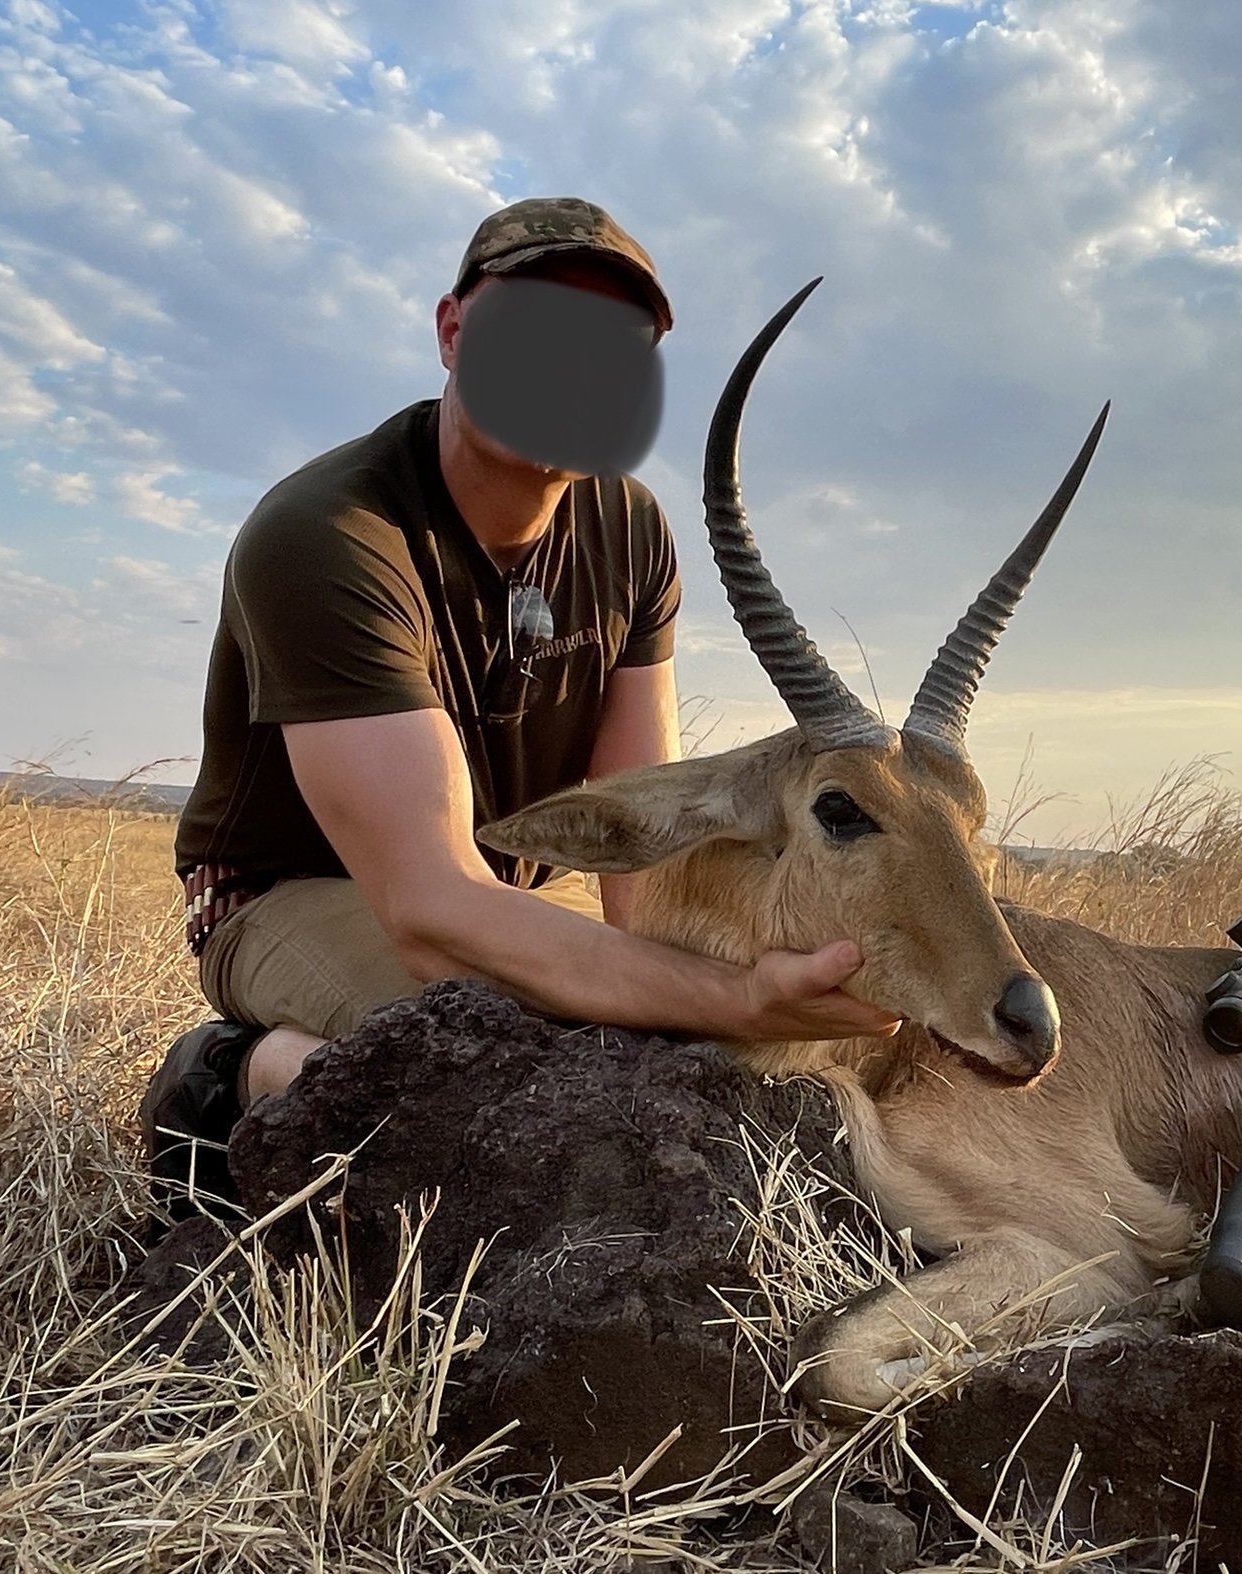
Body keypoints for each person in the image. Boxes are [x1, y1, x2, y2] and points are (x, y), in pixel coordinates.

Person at [142, 196, 898, 1227]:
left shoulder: (628, 528)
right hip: (291, 893)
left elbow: (640, 855)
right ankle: (235, 1080)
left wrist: (722, 986)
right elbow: (432, 913)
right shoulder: (329, 535)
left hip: (493, 891)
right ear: (454, 331)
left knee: (651, 1051)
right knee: (496, 1055)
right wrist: (735, 998)